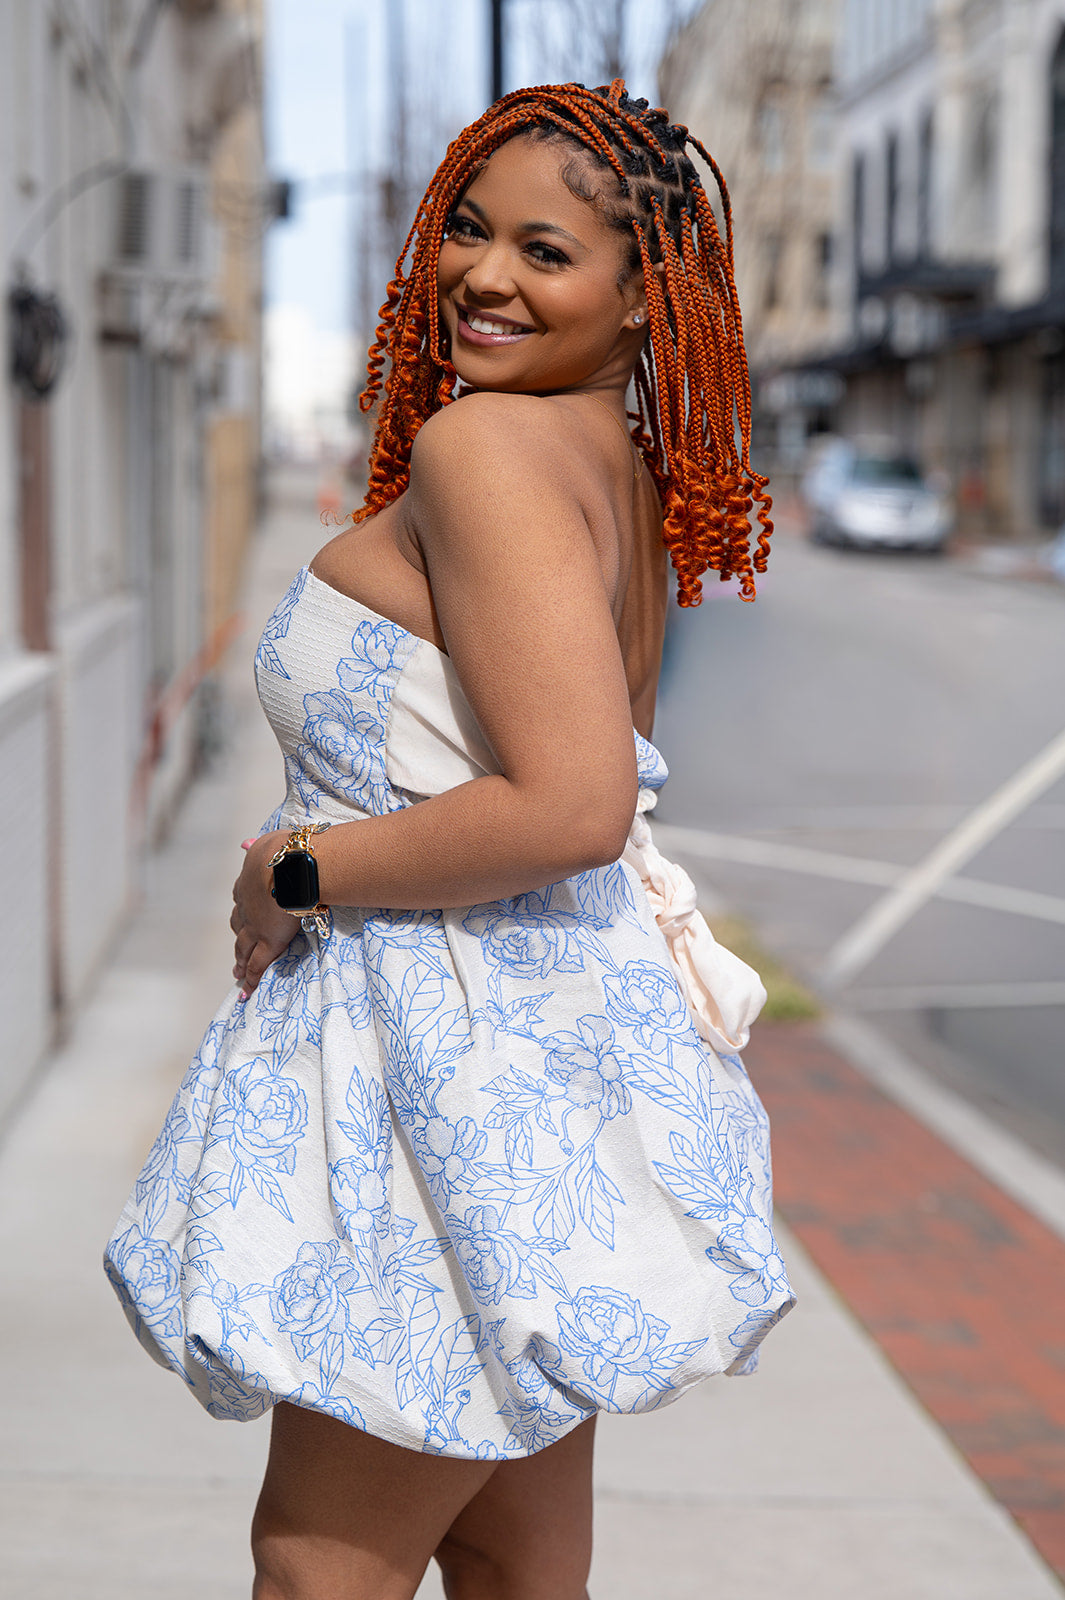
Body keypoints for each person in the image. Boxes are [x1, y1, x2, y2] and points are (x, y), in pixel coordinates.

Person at [106, 80, 794, 1600]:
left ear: (644, 300)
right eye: (468, 231)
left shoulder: (486, 453)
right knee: (509, 1560)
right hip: (536, 1058)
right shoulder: (604, 460)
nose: (482, 275)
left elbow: (573, 805)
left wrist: (290, 872)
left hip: (447, 1067)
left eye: (546, 252)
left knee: (315, 1565)